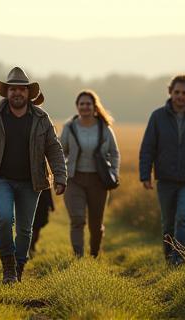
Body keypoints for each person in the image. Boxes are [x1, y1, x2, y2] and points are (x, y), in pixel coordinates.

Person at [0, 67, 67, 283]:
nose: (17, 93)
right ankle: (8, 265)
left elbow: (54, 148)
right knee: (3, 219)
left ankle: (19, 265)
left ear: (28, 93)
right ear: (6, 92)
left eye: (21, 89)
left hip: (31, 181)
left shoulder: (41, 118)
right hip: (1, 179)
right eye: (12, 89)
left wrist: (60, 176)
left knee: (24, 230)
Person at [139, 74, 185, 266]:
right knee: (168, 222)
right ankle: (169, 256)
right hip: (165, 178)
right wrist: (145, 175)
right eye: (177, 92)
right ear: (170, 93)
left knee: (183, 218)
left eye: (184, 93)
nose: (180, 96)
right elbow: (148, 147)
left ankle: (179, 259)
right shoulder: (157, 117)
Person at [60, 90, 120, 258]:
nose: (85, 107)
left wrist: (114, 173)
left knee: (95, 223)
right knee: (77, 219)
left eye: (88, 104)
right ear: (77, 107)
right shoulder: (69, 128)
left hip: (99, 181)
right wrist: (63, 169)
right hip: (74, 179)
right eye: (82, 104)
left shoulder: (105, 128)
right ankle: (78, 256)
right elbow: (60, 150)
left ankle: (94, 254)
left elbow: (115, 153)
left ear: (94, 107)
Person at [29, 188, 54, 255]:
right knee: (33, 228)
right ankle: (30, 247)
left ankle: (31, 247)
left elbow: (48, 190)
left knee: (36, 228)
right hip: (32, 202)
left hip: (43, 204)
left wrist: (51, 205)